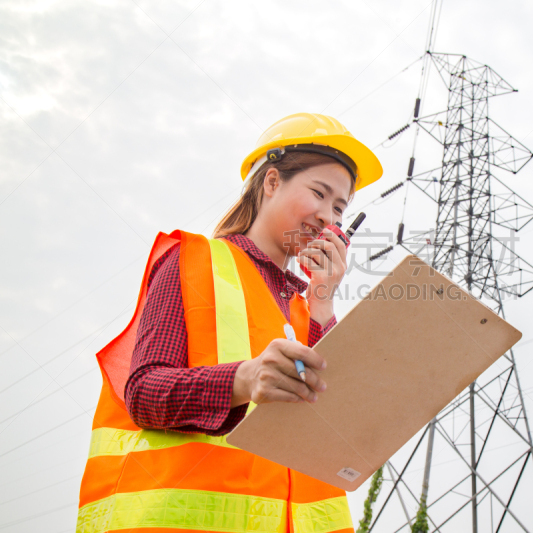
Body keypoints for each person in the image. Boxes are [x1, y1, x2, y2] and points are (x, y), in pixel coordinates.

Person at [75, 113, 383, 533]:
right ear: (271, 182)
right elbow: (144, 393)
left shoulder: (305, 306)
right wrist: (243, 379)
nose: (329, 216)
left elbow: (328, 426)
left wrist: (324, 299)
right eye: (319, 193)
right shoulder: (194, 261)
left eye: (340, 207)